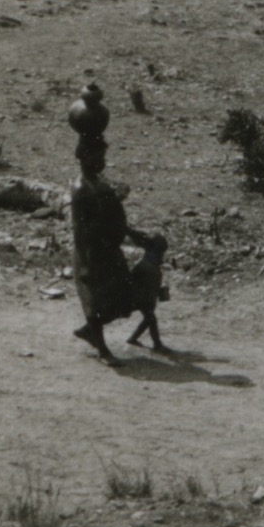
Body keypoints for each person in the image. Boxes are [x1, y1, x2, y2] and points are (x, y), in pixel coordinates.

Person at [66, 84, 167, 363]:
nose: (102, 161)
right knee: (96, 298)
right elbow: (84, 229)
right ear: (84, 157)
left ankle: (90, 331)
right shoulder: (81, 189)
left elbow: (111, 214)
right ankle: (101, 347)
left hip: (108, 250)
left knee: (118, 297)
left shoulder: (98, 184)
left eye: (103, 157)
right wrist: (105, 239)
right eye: (98, 157)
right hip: (92, 255)